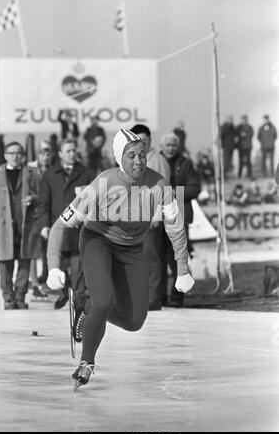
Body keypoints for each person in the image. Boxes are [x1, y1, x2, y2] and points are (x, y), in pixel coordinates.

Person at [46, 128, 194, 388]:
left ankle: (86, 307)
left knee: (134, 322)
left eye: (142, 154)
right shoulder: (103, 183)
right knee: (104, 301)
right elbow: (60, 225)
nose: (138, 161)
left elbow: (175, 228)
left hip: (132, 249)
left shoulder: (160, 185)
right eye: (130, 156)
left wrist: (182, 268)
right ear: (118, 158)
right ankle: (86, 363)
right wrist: (52, 267)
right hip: (97, 242)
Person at [0, 142, 40, 309]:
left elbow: (41, 195)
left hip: (25, 226)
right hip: (4, 227)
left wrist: (33, 199)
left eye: (19, 153)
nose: (15, 156)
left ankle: (20, 297)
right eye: (12, 153)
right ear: (5, 155)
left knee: (24, 262)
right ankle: (8, 298)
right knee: (5, 264)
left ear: (23, 156)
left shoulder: (32, 173)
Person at [39, 138, 95, 311]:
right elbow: (44, 202)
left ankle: (78, 299)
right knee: (59, 266)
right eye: (68, 151)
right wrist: (44, 224)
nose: (71, 154)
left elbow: (94, 200)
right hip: (58, 228)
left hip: (79, 230)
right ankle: (63, 293)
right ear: (60, 154)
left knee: (79, 268)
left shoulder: (87, 173)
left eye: (74, 151)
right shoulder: (50, 175)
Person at [130, 124, 170, 311]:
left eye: (145, 141)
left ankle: (154, 297)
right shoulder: (131, 158)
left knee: (150, 256)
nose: (142, 144)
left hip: (150, 215)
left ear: (150, 141)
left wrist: (157, 213)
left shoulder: (158, 160)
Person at [160, 132, 200, 307]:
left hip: (180, 216)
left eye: (173, 145)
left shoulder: (186, 163)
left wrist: (175, 193)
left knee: (178, 257)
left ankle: (177, 297)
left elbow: (195, 188)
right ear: (162, 146)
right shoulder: (154, 162)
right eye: (168, 145)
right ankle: (159, 296)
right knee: (157, 258)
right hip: (157, 216)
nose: (171, 148)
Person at [28, 140, 54, 293]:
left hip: (48, 214)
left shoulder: (54, 169)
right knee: (33, 250)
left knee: (48, 248)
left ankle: (45, 276)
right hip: (33, 214)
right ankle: (34, 281)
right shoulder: (30, 169)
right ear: (37, 154)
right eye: (42, 153)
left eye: (48, 153)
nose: (45, 156)